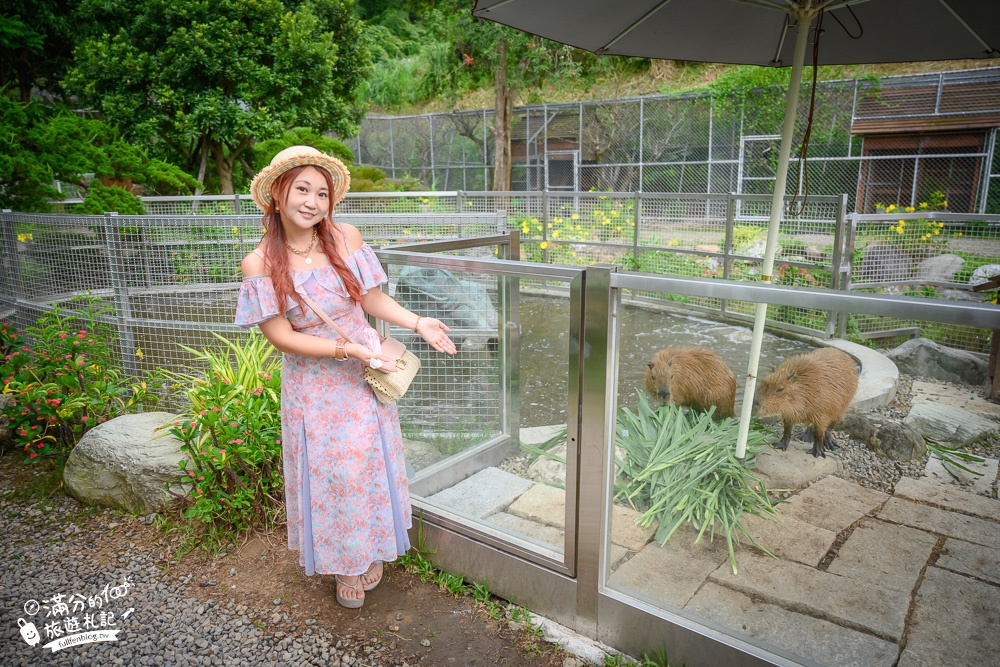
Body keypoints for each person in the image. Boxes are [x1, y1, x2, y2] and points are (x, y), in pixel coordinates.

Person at [234, 146, 457, 608]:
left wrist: (418, 322)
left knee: (365, 467)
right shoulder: (259, 263)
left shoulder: (346, 237)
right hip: (313, 386)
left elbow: (370, 301)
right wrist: (345, 348)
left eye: (322, 193)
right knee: (331, 475)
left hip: (361, 376)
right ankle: (346, 563)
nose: (313, 202)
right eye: (302, 190)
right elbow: (279, 336)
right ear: (278, 195)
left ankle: (369, 547)